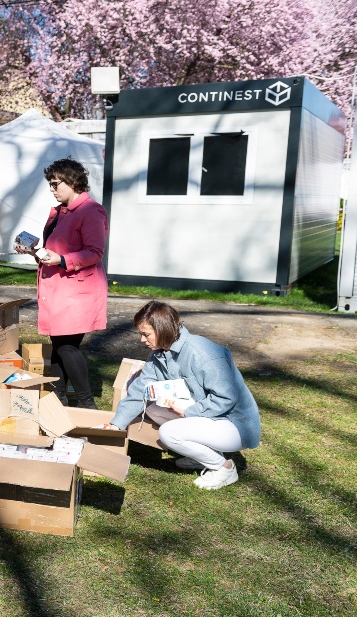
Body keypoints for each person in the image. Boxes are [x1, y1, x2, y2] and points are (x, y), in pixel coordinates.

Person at [107, 301, 261, 490]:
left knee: (168, 433)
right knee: (153, 409)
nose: (142, 340)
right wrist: (116, 424)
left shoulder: (202, 352)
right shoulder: (159, 355)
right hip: (211, 416)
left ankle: (224, 468)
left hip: (236, 424)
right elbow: (140, 390)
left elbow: (227, 397)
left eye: (146, 334)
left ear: (162, 329)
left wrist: (190, 411)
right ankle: (201, 455)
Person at [15, 158, 107, 409]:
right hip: (59, 289)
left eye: (56, 184)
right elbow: (55, 251)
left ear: (74, 181)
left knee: (66, 346)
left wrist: (63, 259)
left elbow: (95, 252)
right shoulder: (59, 211)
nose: (52, 189)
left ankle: (87, 405)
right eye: (50, 184)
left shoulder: (91, 211)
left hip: (77, 291)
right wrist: (35, 252)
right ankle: (59, 399)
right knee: (58, 343)